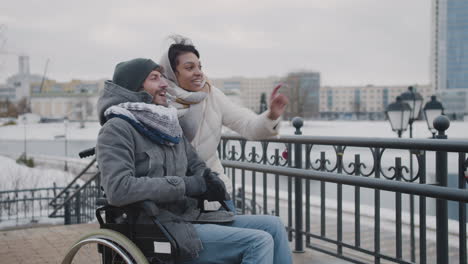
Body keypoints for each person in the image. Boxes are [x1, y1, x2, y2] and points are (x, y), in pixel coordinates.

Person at [96, 58, 293, 263]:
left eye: (163, 76)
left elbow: (196, 164)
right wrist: (185, 185)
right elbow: (117, 189)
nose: (164, 83)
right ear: (134, 87)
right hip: (154, 226)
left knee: (274, 225)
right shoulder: (117, 129)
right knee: (258, 241)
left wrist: (209, 180)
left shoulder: (166, 124)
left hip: (186, 217)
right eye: (154, 78)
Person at [159, 35, 289, 211]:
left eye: (199, 66)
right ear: (172, 73)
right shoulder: (158, 102)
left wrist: (271, 116)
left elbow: (247, 125)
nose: (198, 72)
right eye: (189, 67)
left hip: (215, 194)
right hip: (176, 200)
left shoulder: (212, 95)